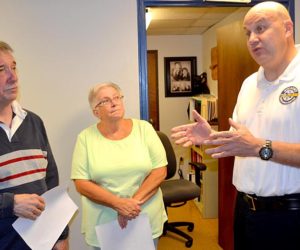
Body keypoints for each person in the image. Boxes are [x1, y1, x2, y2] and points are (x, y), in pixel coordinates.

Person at [171, 2, 300, 250]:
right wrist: (212, 137)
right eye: (248, 32)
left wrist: (259, 147)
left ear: (287, 28)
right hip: (245, 211)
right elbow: (240, 140)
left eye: (261, 28)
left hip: (290, 216)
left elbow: (252, 145)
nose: (253, 39)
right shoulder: (250, 83)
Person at [71, 82, 167, 249]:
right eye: (106, 100)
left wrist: (130, 205)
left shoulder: (144, 129)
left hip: (143, 217)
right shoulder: (85, 138)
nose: (114, 103)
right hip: (103, 224)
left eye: (117, 97)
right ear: (96, 111)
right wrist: (118, 204)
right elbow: (81, 183)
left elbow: (160, 170)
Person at [0, 41, 69, 249]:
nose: (14, 76)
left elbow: (51, 183)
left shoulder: (34, 122)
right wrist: (11, 204)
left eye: (14, 67)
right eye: (1, 69)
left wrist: (61, 235)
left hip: (41, 243)